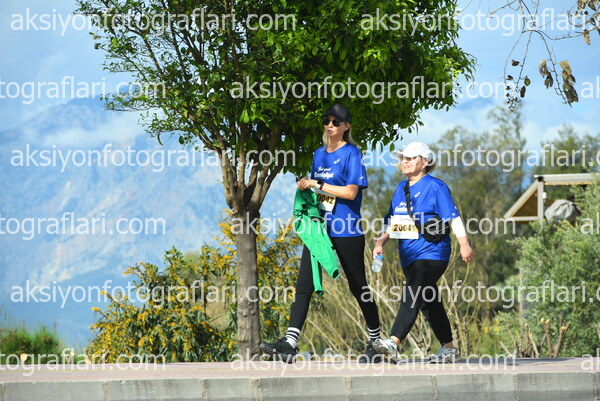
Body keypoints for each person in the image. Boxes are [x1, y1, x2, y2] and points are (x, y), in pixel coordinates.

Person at [260, 104, 382, 363]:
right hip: (319, 229)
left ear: (346, 126)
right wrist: (306, 189)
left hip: (346, 228)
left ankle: (376, 342)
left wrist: (318, 183)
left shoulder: (352, 153)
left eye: (336, 122)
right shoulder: (318, 154)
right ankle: (290, 343)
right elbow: (320, 193)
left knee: (358, 286)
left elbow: (350, 192)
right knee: (304, 283)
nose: (330, 125)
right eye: (327, 120)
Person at [372, 141, 473, 363]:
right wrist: (380, 243)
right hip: (408, 256)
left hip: (432, 253)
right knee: (429, 301)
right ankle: (449, 349)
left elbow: (453, 217)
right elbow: (392, 222)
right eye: (403, 158)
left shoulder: (436, 186)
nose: (405, 162)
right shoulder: (401, 189)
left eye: (410, 158)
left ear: (425, 162)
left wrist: (464, 244)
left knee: (413, 291)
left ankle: (393, 342)